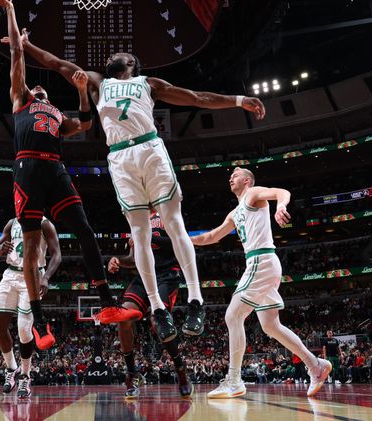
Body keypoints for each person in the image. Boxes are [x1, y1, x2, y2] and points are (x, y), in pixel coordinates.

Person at [14, 32, 265, 343]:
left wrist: (239, 101)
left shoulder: (149, 84)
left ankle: (196, 302)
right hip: (119, 158)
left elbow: (197, 97)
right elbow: (54, 64)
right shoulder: (95, 82)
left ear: (130, 62)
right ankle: (158, 309)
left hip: (150, 150)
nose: (107, 59)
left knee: (174, 224)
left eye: (114, 55)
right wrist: (25, 46)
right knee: (139, 234)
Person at [0, 0, 140, 351]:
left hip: (55, 170)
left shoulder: (57, 115)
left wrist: (83, 92)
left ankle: (106, 303)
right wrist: (11, 9)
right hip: (27, 169)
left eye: (42, 87)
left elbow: (86, 124)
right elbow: (15, 56)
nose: (39, 87)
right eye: (35, 85)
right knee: (30, 247)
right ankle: (39, 321)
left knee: (85, 230)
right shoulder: (21, 100)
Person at [191, 168, 331, 398]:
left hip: (261, 261)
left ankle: (234, 380)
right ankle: (316, 365)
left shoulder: (252, 193)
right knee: (270, 326)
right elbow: (210, 237)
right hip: (261, 264)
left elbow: (281, 192)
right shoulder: (235, 213)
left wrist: (282, 206)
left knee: (233, 316)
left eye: (235, 175)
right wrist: (178, 241)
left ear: (247, 180)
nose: (231, 177)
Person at [107, 210, 192, 399]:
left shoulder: (168, 212)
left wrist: (145, 237)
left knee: (157, 321)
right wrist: (118, 260)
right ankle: (131, 373)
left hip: (167, 275)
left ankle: (180, 368)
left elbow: (179, 242)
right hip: (143, 276)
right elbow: (133, 259)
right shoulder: (137, 219)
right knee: (124, 317)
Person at [0, 216, 61, 399]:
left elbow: (57, 255)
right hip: (10, 275)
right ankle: (11, 368)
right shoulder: (11, 222)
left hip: (33, 276)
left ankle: (25, 375)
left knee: (24, 330)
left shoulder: (45, 224)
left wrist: (45, 277)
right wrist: (0, 249)